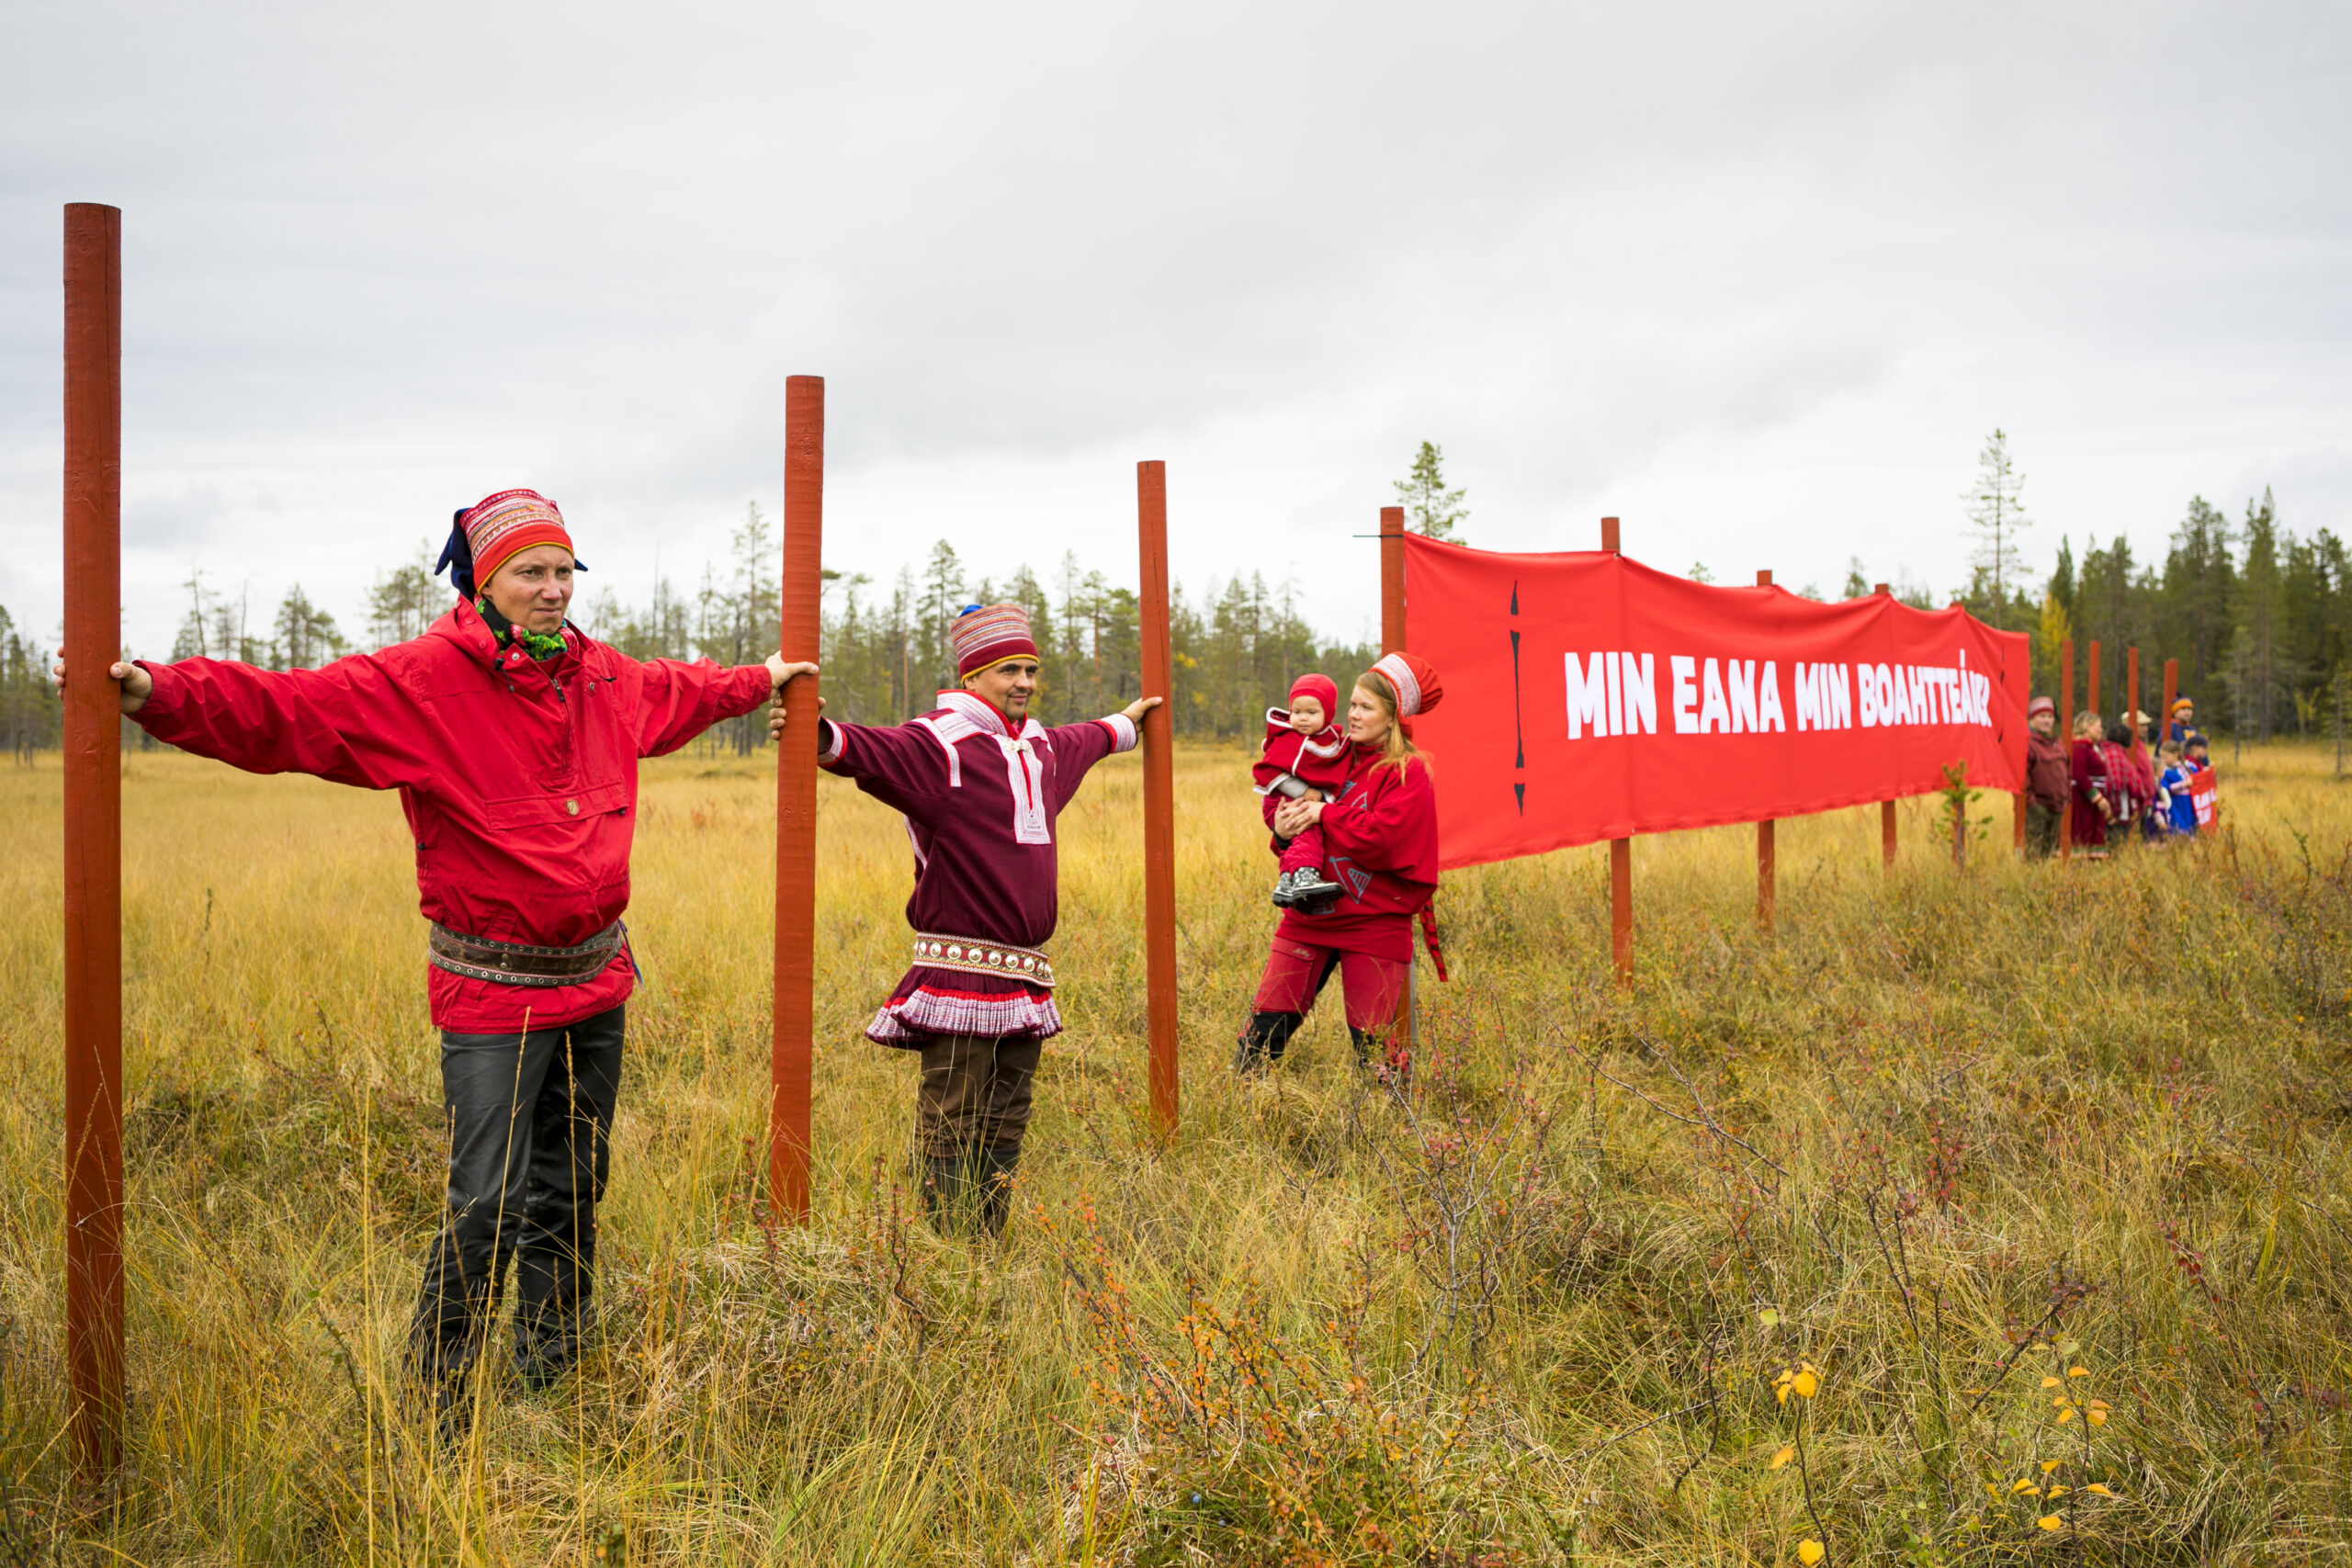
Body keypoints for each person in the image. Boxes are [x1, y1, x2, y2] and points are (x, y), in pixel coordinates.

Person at [59, 490, 800, 1438]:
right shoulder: (422, 683)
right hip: (490, 994)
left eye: (563, 570)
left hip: (596, 982)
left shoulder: (604, 677)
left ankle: (546, 1369)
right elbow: (289, 710)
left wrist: (765, 677)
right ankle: (438, 1399)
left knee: (571, 1184)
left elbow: (686, 688)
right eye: (529, 573)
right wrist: (158, 694)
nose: (551, 589)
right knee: (485, 1201)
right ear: (482, 582)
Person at [780, 604, 1159, 1238]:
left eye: (1032, 669)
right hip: (959, 970)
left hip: (1026, 971)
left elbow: (1087, 737)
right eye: (1010, 668)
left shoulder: (1038, 745)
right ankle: (945, 1251)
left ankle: (988, 1237)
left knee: (1008, 1110)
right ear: (975, 673)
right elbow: (867, 749)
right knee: (952, 1109)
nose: (1025, 682)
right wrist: (815, 733)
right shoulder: (940, 743)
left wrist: (1127, 723)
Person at [1233, 651, 1442, 1077]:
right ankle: (1243, 1121)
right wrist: (1284, 831)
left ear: (1394, 716)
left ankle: (1387, 1136)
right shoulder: (1332, 757)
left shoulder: (1407, 771)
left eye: (1366, 707)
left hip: (1375, 921)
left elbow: (1383, 840)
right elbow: (1302, 833)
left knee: (1374, 1051)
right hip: (1309, 915)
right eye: (1351, 705)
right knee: (1260, 1036)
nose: (1353, 715)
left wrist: (1324, 814)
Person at [1253, 672, 1351, 907]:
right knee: (1307, 828)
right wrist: (1303, 792)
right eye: (1296, 712)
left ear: (1328, 713)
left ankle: (1287, 881)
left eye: (1311, 712)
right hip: (1281, 802)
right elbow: (1271, 772)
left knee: (1299, 835)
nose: (1302, 719)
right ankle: (1305, 875)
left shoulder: (1329, 738)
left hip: (1295, 802)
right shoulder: (1287, 738)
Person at [2023, 695, 2067, 858]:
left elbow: (2066, 769)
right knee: (2034, 852)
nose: (2047, 721)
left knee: (2048, 853)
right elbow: (2023, 776)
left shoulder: (2057, 743)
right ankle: (2031, 882)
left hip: (2057, 807)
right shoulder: (2028, 743)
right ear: (2032, 719)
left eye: (2050, 717)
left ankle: (2043, 880)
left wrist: (2066, 796)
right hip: (2037, 808)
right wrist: (2032, 804)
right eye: (2042, 716)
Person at [2070, 710, 2111, 859]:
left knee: (2092, 832)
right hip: (2083, 800)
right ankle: (2079, 868)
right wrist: (2097, 798)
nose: (2101, 730)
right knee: (2082, 832)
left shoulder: (2090, 747)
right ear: (2086, 727)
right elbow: (2079, 775)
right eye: (2097, 726)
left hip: (2090, 800)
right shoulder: (2079, 747)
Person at [2157, 739, 2197, 838]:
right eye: (2161, 757)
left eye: (2165, 756)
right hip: (2176, 803)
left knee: (2191, 823)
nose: (2163, 760)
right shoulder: (2165, 771)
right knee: (2179, 826)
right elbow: (2164, 788)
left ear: (2175, 754)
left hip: (2189, 802)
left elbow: (2198, 778)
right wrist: (2182, 784)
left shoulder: (2189, 766)